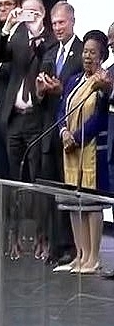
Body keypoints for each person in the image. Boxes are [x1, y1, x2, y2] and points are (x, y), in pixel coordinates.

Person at [42, 30, 112, 273]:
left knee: (91, 204)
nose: (88, 56)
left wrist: (78, 137)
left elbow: (101, 118)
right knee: (73, 202)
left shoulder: (104, 82)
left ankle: (93, 258)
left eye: (93, 52)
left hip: (92, 150)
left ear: (102, 54)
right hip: (69, 148)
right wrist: (63, 133)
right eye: (85, 52)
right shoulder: (74, 80)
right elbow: (62, 110)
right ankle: (79, 255)